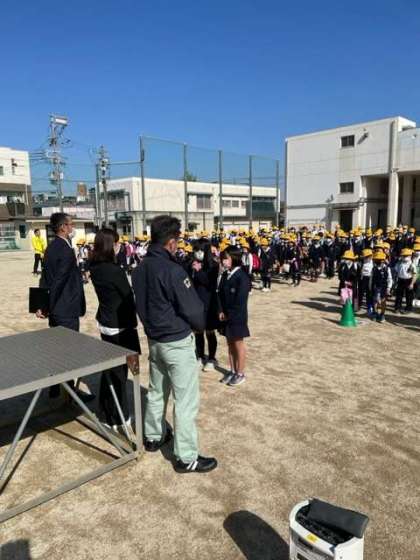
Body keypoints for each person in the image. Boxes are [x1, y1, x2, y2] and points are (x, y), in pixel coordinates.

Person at [132, 215, 217, 474]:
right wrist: (198, 326)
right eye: (177, 240)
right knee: (185, 400)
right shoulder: (172, 269)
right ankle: (186, 456)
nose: (178, 245)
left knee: (157, 391)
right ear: (170, 242)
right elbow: (193, 309)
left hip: (154, 339)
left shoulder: (140, 268)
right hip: (176, 341)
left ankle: (153, 436)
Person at [38, 213, 93, 402]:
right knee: (68, 351)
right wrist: (49, 305)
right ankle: (69, 394)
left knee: (56, 349)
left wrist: (42, 305)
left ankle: (55, 388)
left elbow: (45, 278)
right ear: (62, 227)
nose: (72, 227)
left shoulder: (51, 247)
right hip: (65, 308)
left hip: (55, 309)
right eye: (70, 224)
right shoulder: (66, 250)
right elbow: (59, 281)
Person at [89, 228, 141, 431]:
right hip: (119, 325)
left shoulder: (95, 267)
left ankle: (105, 412)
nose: (119, 247)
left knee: (110, 370)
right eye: (117, 243)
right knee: (120, 373)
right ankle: (120, 417)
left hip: (105, 321)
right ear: (111, 246)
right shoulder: (114, 271)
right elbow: (128, 298)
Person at [217, 245, 250, 387]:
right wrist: (220, 310)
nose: (223, 261)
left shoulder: (242, 277)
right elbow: (219, 293)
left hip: (237, 317)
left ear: (234, 258)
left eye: (226, 258)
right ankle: (232, 370)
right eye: (222, 259)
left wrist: (229, 315)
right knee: (230, 344)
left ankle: (240, 373)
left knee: (238, 344)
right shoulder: (225, 274)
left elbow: (240, 301)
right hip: (225, 316)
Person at [189, 240, 219, 371]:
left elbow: (209, 283)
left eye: (200, 250)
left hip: (209, 303)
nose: (198, 253)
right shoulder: (192, 263)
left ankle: (212, 358)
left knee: (210, 332)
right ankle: (200, 356)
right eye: (196, 250)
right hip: (196, 303)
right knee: (198, 332)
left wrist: (199, 271)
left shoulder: (214, 265)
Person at [372, 250, 393, 323]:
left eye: (379, 260)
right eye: (376, 260)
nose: (377, 261)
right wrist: (370, 287)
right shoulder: (374, 268)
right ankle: (375, 313)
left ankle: (382, 314)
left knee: (383, 301)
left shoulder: (387, 269)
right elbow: (371, 278)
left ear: (383, 260)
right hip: (375, 286)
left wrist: (389, 288)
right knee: (375, 300)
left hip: (384, 287)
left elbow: (390, 279)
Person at [394, 248, 416, 314]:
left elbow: (414, 275)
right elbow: (396, 272)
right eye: (403, 255)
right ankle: (397, 307)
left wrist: (412, 284)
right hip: (400, 280)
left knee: (409, 296)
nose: (405, 257)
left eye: (406, 255)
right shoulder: (399, 263)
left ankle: (408, 309)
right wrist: (395, 281)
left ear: (410, 256)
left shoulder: (412, 264)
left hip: (408, 280)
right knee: (399, 295)